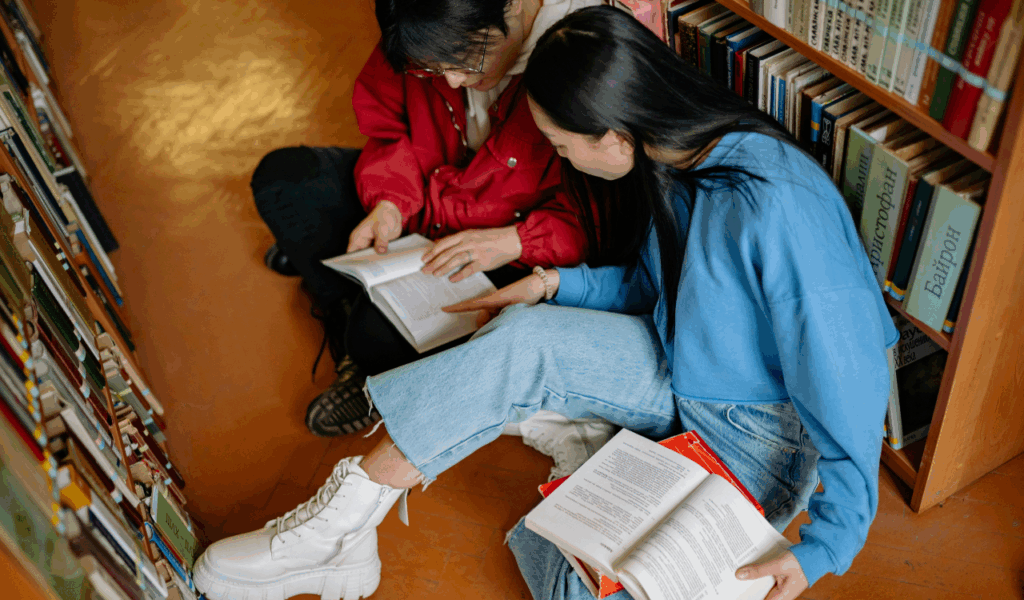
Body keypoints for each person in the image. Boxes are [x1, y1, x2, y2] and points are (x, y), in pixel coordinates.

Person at [195, 7, 898, 600]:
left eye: (562, 145)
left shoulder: (775, 201)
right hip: (676, 367)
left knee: (568, 577)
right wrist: (558, 285)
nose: (557, 157)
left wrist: (825, 547)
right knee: (525, 335)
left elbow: (851, 374)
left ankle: (622, 477)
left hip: (756, 433)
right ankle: (339, 526)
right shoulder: (671, 157)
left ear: (612, 135)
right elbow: (665, 291)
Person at [252, 0, 602, 437]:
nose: (454, 81)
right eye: (432, 71)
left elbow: (602, 214)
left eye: (467, 59)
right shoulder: (418, 23)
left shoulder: (582, 59)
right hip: (425, 208)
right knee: (282, 181)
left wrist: (516, 240)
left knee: (372, 337)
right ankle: (346, 307)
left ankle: (353, 330)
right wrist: (390, 203)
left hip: (504, 252)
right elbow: (389, 128)